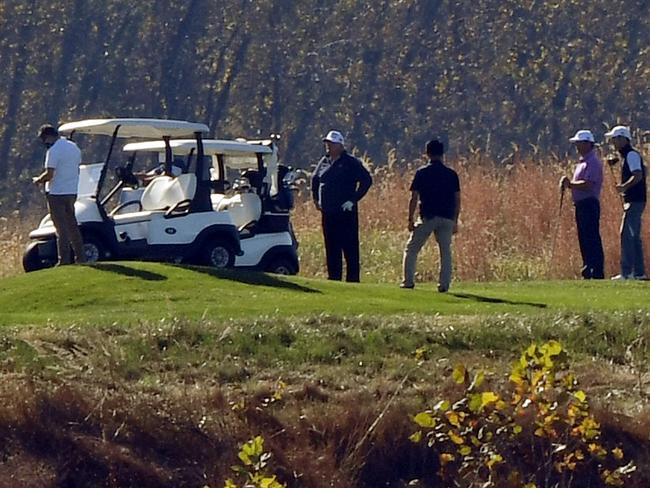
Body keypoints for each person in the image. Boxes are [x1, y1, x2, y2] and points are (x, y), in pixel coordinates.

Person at [311, 130, 372, 282]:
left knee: (349, 247)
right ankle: (334, 278)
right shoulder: (324, 161)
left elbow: (366, 181)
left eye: (331, 144)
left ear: (340, 145)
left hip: (346, 212)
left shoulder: (350, 162)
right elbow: (315, 179)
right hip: (328, 212)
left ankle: (353, 281)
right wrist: (316, 199)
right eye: (327, 143)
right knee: (331, 247)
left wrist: (353, 200)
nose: (328, 147)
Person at [401, 139, 460, 292]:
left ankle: (408, 281)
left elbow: (414, 197)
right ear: (442, 153)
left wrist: (410, 219)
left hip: (428, 216)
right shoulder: (451, 174)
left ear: (427, 153)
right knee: (445, 252)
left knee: (412, 248)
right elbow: (457, 199)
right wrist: (455, 220)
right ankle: (444, 285)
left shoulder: (422, 173)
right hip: (447, 217)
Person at [32, 124, 86, 265]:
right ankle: (80, 257)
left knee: (61, 228)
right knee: (72, 226)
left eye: (44, 139)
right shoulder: (73, 147)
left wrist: (38, 180)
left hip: (56, 193)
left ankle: (64, 260)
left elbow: (50, 174)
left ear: (49, 136)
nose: (44, 143)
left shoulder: (54, 150)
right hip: (71, 191)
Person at [560, 130, 605, 279]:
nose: (577, 146)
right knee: (583, 237)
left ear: (587, 144)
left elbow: (589, 184)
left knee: (591, 236)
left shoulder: (592, 162)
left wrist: (570, 184)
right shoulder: (583, 162)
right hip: (581, 204)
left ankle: (596, 270)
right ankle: (587, 268)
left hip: (589, 203)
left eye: (579, 143)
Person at [605, 125, 647, 280]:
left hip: (635, 201)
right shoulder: (627, 155)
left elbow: (638, 175)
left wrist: (624, 187)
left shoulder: (631, 155)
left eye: (615, 139)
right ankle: (639, 273)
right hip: (635, 200)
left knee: (627, 235)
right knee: (634, 236)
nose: (613, 142)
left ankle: (627, 272)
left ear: (624, 139)